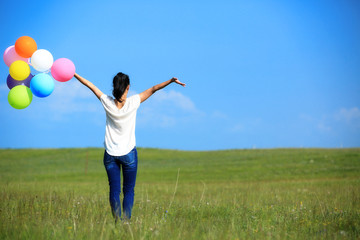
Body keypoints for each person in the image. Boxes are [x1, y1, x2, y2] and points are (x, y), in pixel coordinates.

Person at [74, 72, 185, 222]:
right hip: (129, 155)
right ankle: (126, 221)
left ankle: (117, 221)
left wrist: (73, 73)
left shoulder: (106, 102)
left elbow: (90, 85)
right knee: (128, 190)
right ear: (128, 87)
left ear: (114, 87)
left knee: (114, 189)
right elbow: (153, 89)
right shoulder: (134, 102)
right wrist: (171, 81)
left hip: (110, 155)